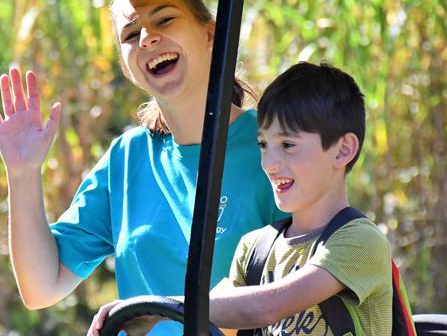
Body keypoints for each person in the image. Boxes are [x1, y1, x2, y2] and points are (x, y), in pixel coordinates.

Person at [0, 0, 285, 334]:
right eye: (131, 34)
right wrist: (22, 173)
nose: (147, 37)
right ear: (128, 68)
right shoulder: (126, 160)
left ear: (210, 34)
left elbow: (305, 287)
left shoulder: (275, 147)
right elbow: (41, 286)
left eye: (164, 19)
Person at [88, 61, 393, 336]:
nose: (269, 163)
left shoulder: (359, 242)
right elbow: (216, 312)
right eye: (263, 145)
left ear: (343, 150)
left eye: (287, 145)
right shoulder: (254, 249)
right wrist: (145, 313)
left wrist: (157, 308)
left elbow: (265, 308)